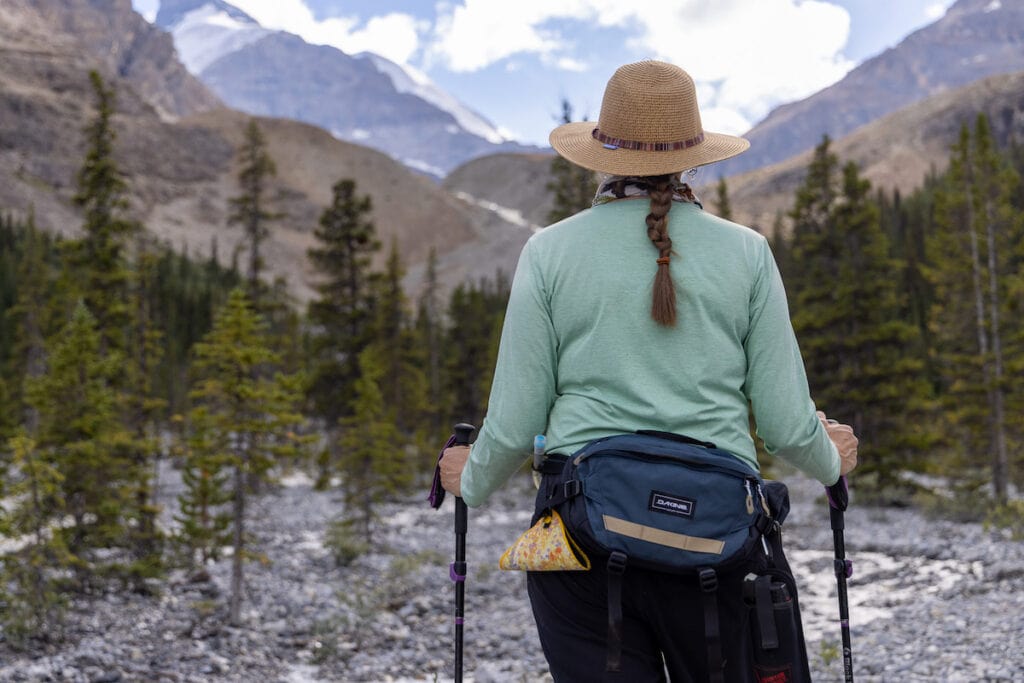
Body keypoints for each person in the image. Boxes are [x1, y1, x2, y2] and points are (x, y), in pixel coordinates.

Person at [440, 60, 858, 681]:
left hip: (579, 537)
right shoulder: (746, 253)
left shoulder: (549, 252)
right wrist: (832, 459)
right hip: (718, 535)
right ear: (692, 158)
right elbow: (783, 422)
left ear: (602, 158)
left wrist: (469, 477)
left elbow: (518, 415)